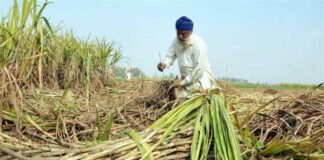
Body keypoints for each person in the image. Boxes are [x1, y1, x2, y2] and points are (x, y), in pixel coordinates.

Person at [157, 16, 218, 98]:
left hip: (200, 84)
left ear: (190, 32)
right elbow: (170, 56)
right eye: (178, 33)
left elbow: (199, 70)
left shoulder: (199, 45)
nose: (180, 36)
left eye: (183, 34)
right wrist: (164, 64)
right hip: (186, 83)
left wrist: (182, 83)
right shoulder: (176, 41)